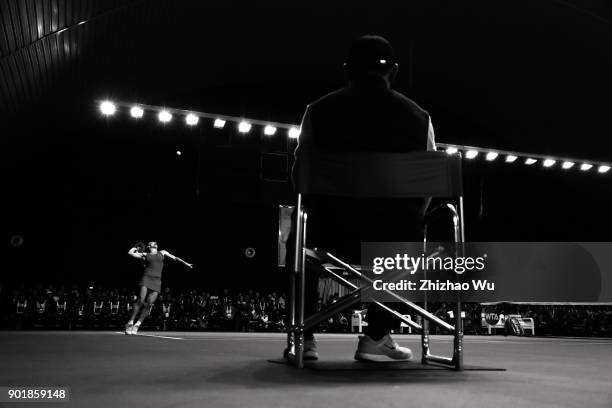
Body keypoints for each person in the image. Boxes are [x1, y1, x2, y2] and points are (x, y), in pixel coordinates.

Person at [291, 35, 436, 361]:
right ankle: (376, 335)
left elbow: (301, 180)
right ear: (394, 71)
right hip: (393, 239)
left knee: (298, 232)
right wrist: (405, 221)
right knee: (416, 235)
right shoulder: (419, 118)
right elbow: (427, 189)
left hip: (329, 233)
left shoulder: (317, 112)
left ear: (346, 70)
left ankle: (304, 337)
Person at [125, 241, 193, 335]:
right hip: (146, 278)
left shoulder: (163, 252)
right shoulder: (145, 254)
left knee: (149, 304)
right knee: (140, 300)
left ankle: (137, 324)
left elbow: (175, 258)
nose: (155, 243)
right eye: (152, 243)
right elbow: (130, 253)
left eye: (156, 243)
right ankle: (130, 322)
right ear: (149, 246)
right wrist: (136, 247)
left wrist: (186, 263)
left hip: (157, 281)